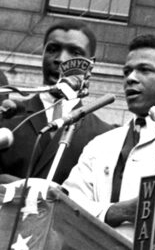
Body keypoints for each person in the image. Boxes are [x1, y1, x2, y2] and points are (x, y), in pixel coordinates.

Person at [62, 34, 155, 242]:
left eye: (144, 70)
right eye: (127, 71)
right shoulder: (101, 144)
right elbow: (68, 204)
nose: (131, 78)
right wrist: (117, 212)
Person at [0, 21, 114, 184]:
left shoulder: (102, 134)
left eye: (75, 53)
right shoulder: (7, 117)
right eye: (53, 50)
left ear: (90, 64)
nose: (61, 59)